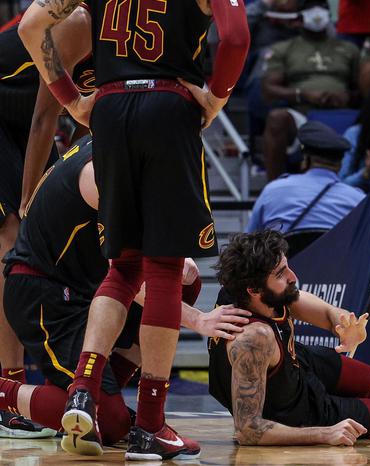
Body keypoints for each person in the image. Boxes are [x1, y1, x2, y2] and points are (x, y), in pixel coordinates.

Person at [18, 0, 250, 460]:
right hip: (167, 105)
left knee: (122, 265)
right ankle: (150, 425)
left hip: (109, 108)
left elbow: (30, 25)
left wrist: (72, 99)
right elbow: (238, 37)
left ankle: (83, 386)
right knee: (163, 270)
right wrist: (216, 97)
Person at [0, 136, 252, 450]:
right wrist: (199, 320)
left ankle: (100, 400)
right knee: (114, 423)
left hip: (80, 289)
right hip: (45, 296)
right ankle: (9, 395)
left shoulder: (118, 148)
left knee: (186, 280)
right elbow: (127, 278)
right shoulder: (103, 177)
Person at [208, 230, 370, 445]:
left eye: (287, 266)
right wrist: (324, 433)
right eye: (281, 273)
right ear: (254, 290)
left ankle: (348, 393)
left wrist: (345, 328)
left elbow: (329, 314)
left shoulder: (251, 290)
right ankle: (338, 403)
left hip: (298, 364)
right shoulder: (253, 339)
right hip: (292, 410)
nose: (293, 276)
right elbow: (247, 431)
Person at [0, 5, 92, 438]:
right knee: (16, 233)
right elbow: (44, 119)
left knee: (62, 221)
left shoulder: (132, 35)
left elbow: (86, 128)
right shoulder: (79, 24)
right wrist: (25, 201)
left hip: (26, 120)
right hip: (12, 115)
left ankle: (72, 384)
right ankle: (9, 387)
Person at [261, 0, 361, 180]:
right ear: (300, 16)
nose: (317, 13)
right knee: (277, 118)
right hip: (302, 115)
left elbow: (364, 90)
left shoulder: (349, 49)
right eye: (310, 8)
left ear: (329, 14)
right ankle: (274, 186)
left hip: (344, 113)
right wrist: (303, 95)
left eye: (322, 8)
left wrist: (347, 97)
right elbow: (269, 89)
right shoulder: (284, 49)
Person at [247, 121, 365, 234]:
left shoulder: (272, 191)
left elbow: (249, 241)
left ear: (305, 160)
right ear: (339, 165)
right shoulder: (358, 200)